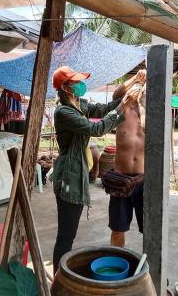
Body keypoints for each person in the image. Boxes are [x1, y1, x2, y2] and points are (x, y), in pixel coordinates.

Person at [51, 66, 140, 273]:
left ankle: (59, 275)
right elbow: (96, 129)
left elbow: (103, 109)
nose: (81, 85)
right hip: (68, 175)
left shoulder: (78, 104)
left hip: (77, 170)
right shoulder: (63, 111)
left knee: (68, 232)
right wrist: (122, 108)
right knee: (66, 234)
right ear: (65, 88)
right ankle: (58, 278)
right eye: (76, 82)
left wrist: (129, 96)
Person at [105, 70, 146, 247]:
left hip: (144, 180)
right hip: (121, 180)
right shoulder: (122, 111)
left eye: (142, 89)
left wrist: (144, 102)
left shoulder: (151, 113)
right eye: (136, 89)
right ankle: (116, 261)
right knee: (117, 229)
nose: (138, 92)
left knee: (150, 228)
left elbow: (147, 126)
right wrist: (136, 78)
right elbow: (116, 94)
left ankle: (149, 266)